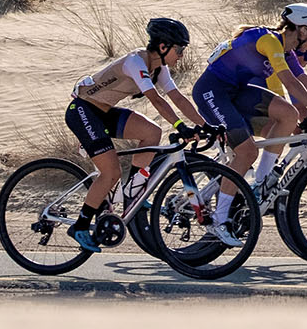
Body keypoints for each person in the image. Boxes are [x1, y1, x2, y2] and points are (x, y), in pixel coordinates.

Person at [190, 2, 307, 245]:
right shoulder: (270, 41)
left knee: (287, 114)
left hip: (237, 93)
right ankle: (219, 220)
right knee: (247, 152)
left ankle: (261, 182)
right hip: (213, 92)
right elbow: (290, 83)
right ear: (303, 30)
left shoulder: (286, 51)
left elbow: (306, 82)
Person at [64, 17, 205, 252]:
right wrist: (180, 126)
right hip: (82, 111)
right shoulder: (135, 62)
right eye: (179, 49)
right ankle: (80, 226)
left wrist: (204, 125)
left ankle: (132, 191)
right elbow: (156, 100)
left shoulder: (159, 68)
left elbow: (178, 98)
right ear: (163, 47)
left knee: (152, 132)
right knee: (111, 172)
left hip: (104, 112)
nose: (181, 55)